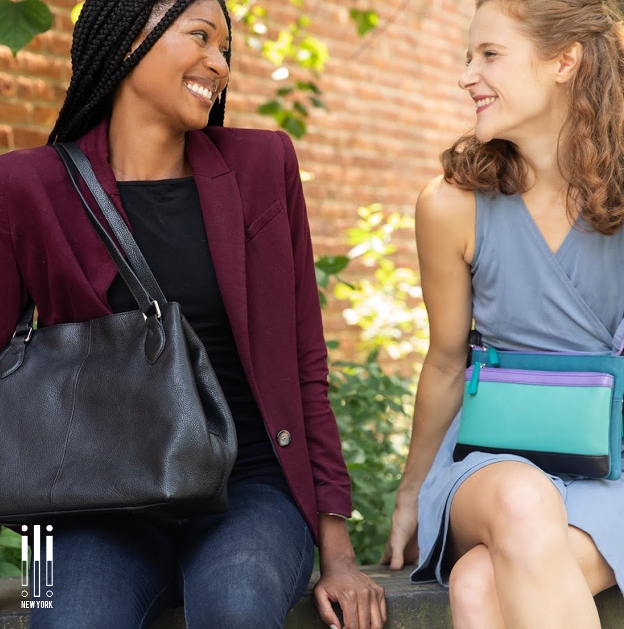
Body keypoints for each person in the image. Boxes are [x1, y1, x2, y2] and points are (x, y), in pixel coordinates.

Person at [0, 1, 386, 628]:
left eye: (226, 48)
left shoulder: (263, 167)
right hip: (77, 504)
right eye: (201, 38)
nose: (220, 63)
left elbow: (305, 365)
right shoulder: (25, 187)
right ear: (127, 41)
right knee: (62, 619)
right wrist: (33, 541)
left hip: (250, 486)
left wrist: (338, 555)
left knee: (238, 605)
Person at [381, 0, 624, 627]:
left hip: (618, 469)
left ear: (564, 62)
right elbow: (444, 361)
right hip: (492, 470)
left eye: (489, 55)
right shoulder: (449, 205)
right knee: (523, 504)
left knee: (479, 584)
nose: (468, 75)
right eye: (469, 56)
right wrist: (411, 491)